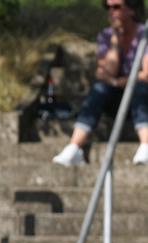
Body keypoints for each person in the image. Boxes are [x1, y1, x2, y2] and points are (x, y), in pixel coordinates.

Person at [53, 0, 148, 166]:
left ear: (131, 10)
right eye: (108, 7)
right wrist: (115, 42)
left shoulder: (144, 34)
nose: (111, 12)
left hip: (141, 97)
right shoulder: (105, 36)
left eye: (117, 7)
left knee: (138, 88)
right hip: (114, 98)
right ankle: (74, 147)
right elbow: (107, 72)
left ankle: (146, 145)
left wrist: (121, 81)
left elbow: (146, 74)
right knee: (99, 89)